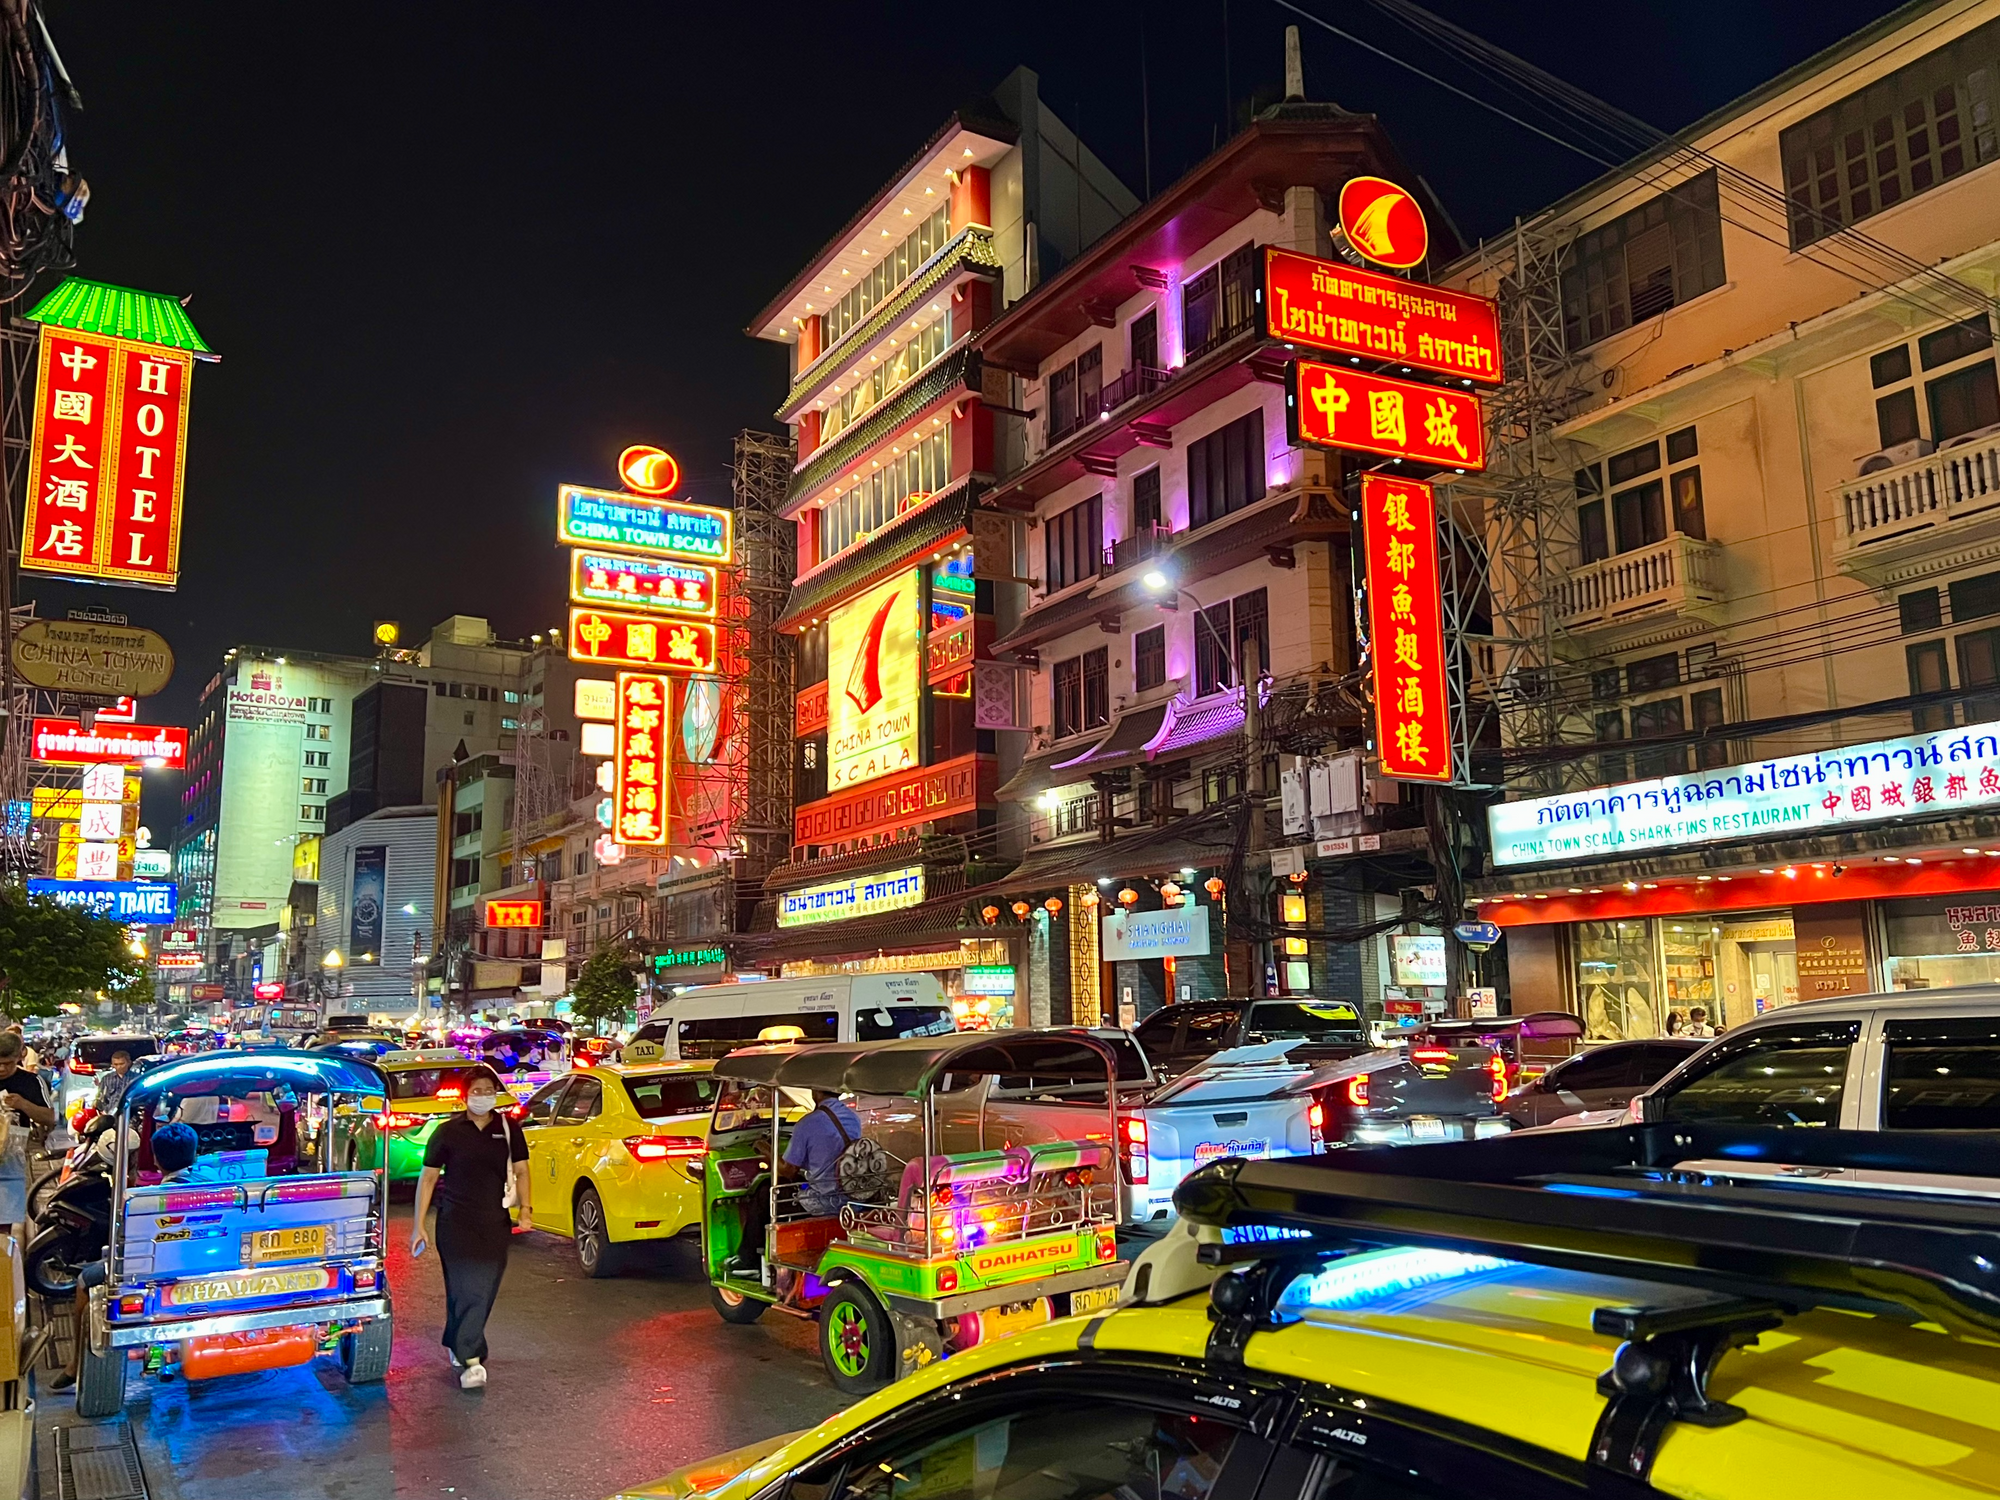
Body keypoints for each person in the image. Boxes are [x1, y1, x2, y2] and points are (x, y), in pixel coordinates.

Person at [45, 1123, 200, 1393]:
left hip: (152, 1271)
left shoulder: (145, 1200)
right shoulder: (214, 1188)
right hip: (198, 1265)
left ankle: (75, 1363)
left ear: (155, 1159)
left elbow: (128, 1242)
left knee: (84, 1280)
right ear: (195, 1155)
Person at [410, 1073, 530, 1390]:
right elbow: (429, 1179)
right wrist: (418, 1225)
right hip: (455, 1223)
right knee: (466, 1288)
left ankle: (456, 1339)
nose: (483, 1096)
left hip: (495, 1223)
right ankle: (472, 1359)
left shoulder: (508, 1130)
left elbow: (521, 1170)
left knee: (484, 1288)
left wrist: (527, 1210)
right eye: (476, 1091)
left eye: (489, 1091)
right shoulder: (447, 1132)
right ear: (464, 1097)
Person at [729, 1089, 861, 1276]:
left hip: (822, 1202)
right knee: (783, 1186)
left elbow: (788, 1170)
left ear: (815, 1092)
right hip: (849, 1195)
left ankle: (749, 1260)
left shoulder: (808, 1124)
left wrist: (765, 1148)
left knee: (765, 1192)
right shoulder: (852, 1118)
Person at [0, 1032, 52, 1237]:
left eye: (8, 1063)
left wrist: (23, 1104)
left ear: (19, 1057)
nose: (2, 1068)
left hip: (12, 1154)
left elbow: (49, 1118)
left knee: (5, 1220)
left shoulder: (31, 1082)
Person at [93, 1049, 135, 1119]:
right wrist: (104, 1111)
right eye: (116, 1064)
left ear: (129, 1063)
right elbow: (101, 1097)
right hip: (109, 1116)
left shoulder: (135, 1078)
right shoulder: (106, 1079)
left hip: (130, 1116)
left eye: (122, 1064)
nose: (119, 1067)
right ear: (112, 1065)